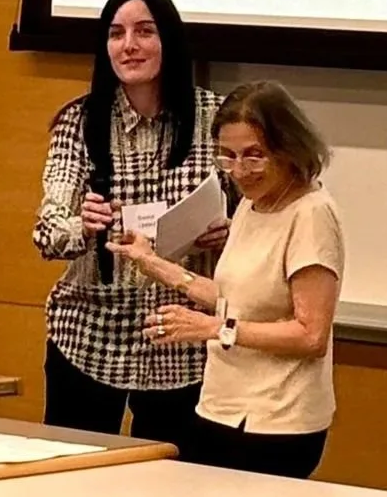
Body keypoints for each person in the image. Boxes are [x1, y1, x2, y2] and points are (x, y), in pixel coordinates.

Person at [110, 80, 345, 480]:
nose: (239, 171)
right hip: (221, 407)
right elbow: (236, 296)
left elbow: (310, 335)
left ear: (289, 148)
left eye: (254, 156)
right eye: (228, 156)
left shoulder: (311, 214)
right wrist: (152, 263)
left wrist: (215, 329)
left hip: (277, 421)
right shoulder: (253, 205)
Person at [32, 0, 231, 451]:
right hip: (89, 334)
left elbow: (261, 215)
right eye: (116, 33)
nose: (129, 46)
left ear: (169, 41)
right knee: (74, 474)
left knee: (175, 478)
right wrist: (82, 226)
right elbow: (46, 231)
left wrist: (230, 233)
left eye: (144, 32)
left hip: (182, 338)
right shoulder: (79, 121)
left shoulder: (214, 117)